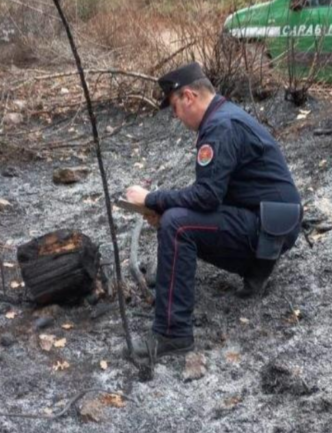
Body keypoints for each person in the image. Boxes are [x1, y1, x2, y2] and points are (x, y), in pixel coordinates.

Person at [125, 62, 302, 359]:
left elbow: (206, 198)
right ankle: (256, 270)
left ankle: (173, 334)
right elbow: (215, 193)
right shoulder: (224, 116)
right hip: (275, 222)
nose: (176, 117)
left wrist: (152, 198)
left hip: (268, 227)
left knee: (177, 225)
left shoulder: (220, 127)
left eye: (174, 108)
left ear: (189, 97)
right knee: (177, 216)